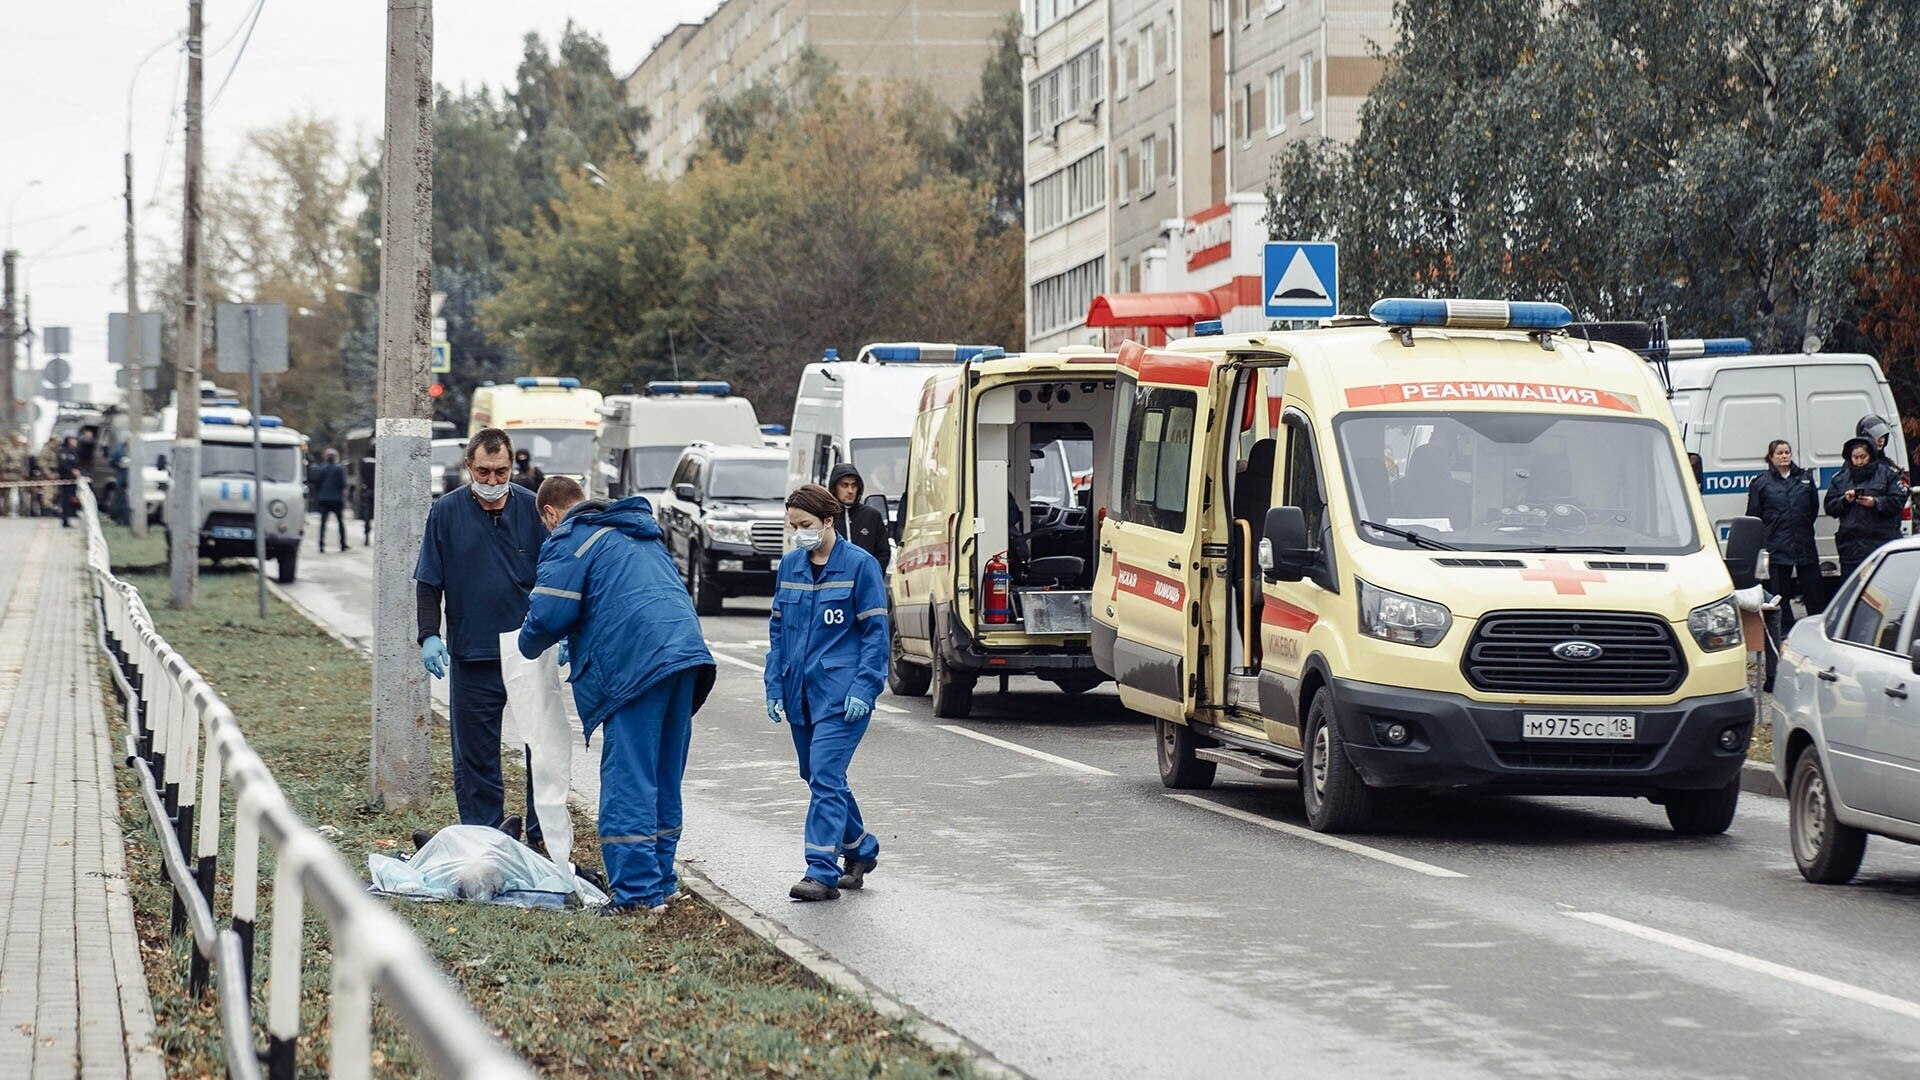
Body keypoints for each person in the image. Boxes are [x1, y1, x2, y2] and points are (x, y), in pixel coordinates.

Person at [520, 476, 715, 915]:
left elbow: (548, 613)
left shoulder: (572, 537)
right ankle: (662, 883)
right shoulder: (635, 531)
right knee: (663, 773)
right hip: (684, 656)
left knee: (629, 778)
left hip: (636, 664)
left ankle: (636, 895)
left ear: (550, 514)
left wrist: (525, 643)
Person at [416, 429, 551, 847]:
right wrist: (428, 635)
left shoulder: (533, 510)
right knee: (476, 757)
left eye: (501, 471)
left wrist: (563, 633)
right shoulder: (446, 513)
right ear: (468, 468)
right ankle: (484, 837)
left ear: (513, 467)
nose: (493, 481)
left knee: (542, 751)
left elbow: (558, 576)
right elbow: (428, 580)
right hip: (473, 650)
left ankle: (541, 837)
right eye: (484, 472)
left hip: (528, 651)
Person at [765, 483, 889, 902]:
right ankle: (861, 850)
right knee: (817, 776)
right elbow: (778, 631)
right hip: (799, 691)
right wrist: (773, 685)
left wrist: (866, 686)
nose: (799, 532)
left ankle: (821, 870)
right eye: (793, 526)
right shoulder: (790, 567)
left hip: (842, 695)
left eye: (806, 525)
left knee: (825, 775)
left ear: (829, 521)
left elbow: (876, 635)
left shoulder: (860, 566)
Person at [1746, 440, 1822, 693]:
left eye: (1787, 452)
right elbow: (1754, 515)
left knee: (1813, 592)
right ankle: (1782, 644)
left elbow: (1812, 509)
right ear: (1770, 456)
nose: (1784, 456)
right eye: (1779, 453)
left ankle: (1816, 636)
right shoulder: (1762, 483)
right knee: (1780, 597)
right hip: (1777, 547)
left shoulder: (1805, 480)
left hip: (1803, 544)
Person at [1825, 435, 1907, 582]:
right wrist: (1845, 501)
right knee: (1853, 591)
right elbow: (1829, 507)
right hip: (1851, 548)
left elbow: (1898, 501)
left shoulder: (1888, 474)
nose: (1859, 461)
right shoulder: (1841, 478)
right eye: (1855, 457)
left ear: (1871, 455)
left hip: (1881, 544)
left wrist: (1876, 503)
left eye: (1863, 457)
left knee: (1884, 588)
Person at [827, 463, 890, 571]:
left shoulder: (872, 516)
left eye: (854, 485)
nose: (850, 491)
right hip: (834, 584)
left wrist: (873, 577)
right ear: (834, 488)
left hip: (865, 583)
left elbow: (883, 553)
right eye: (844, 485)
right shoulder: (825, 517)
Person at [312, 448, 349, 552]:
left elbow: (317, 483)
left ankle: (321, 544)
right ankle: (342, 544)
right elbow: (343, 484)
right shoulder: (339, 469)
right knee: (340, 522)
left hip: (324, 498)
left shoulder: (321, 469)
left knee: (323, 522)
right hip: (336, 499)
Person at [55, 436, 80, 528]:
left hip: (73, 480)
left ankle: (69, 516)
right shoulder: (64, 451)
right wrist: (71, 470)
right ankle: (65, 520)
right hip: (66, 478)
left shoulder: (74, 451)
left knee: (71, 500)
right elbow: (63, 464)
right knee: (65, 499)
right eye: (74, 440)